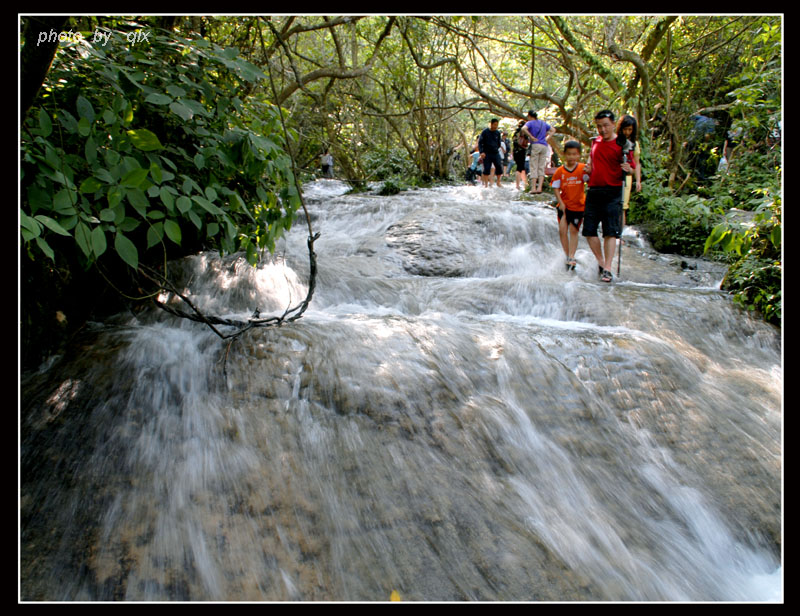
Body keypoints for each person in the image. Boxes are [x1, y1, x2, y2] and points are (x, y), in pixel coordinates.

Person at [582, 109, 635, 283]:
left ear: (613, 124)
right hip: (594, 190)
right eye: (599, 126)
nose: (602, 130)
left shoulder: (622, 144)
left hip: (613, 191)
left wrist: (629, 169)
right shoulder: (595, 142)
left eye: (605, 125)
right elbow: (592, 162)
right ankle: (601, 262)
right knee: (589, 231)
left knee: (610, 232)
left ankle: (608, 268)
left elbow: (633, 168)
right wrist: (588, 169)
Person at [550, 140, 587, 270]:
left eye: (574, 154)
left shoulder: (583, 169)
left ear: (579, 155)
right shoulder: (560, 171)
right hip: (564, 206)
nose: (572, 157)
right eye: (569, 154)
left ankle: (572, 256)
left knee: (573, 231)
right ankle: (567, 255)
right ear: (564, 154)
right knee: (562, 231)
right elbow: (555, 187)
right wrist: (560, 202)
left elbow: (590, 180)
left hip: (578, 206)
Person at [522, 110, 556, 193]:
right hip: (544, 146)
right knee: (541, 167)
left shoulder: (530, 123)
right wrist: (547, 138)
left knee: (534, 166)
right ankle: (539, 188)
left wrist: (531, 136)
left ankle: (533, 188)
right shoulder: (543, 123)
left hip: (536, 145)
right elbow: (553, 130)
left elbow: (523, 128)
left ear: (530, 116)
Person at [617, 114, 641, 225]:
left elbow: (636, 163)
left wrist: (638, 181)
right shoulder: (614, 141)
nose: (627, 132)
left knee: (623, 207)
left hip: (626, 178)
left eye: (630, 129)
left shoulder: (634, 145)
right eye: (625, 129)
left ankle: (620, 234)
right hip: (613, 177)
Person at [478, 118, 504, 187]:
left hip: (495, 152)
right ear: (491, 124)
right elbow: (480, 143)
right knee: (487, 168)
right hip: (487, 153)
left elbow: (499, 143)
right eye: (494, 124)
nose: (496, 126)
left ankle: (498, 182)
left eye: (497, 125)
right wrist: (482, 152)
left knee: (499, 166)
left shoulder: (498, 133)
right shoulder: (485, 132)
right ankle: (486, 184)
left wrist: (495, 148)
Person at [511, 120, 528, 190]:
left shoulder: (515, 133)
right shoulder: (524, 132)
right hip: (521, 151)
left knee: (522, 168)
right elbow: (526, 142)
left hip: (516, 152)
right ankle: (517, 185)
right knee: (520, 168)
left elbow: (513, 143)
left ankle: (526, 183)